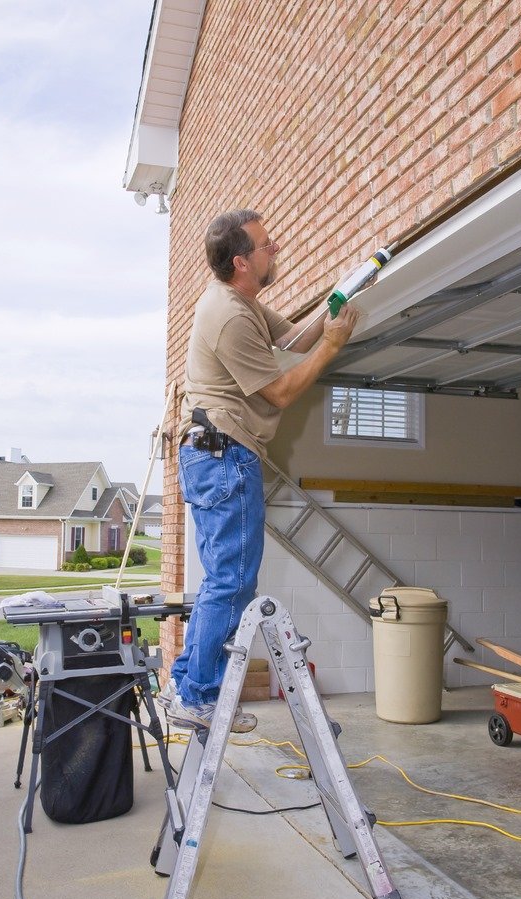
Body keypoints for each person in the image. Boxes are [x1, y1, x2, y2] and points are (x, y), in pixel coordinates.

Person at [160, 209, 358, 731]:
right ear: (243, 261)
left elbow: (291, 343)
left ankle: (188, 684)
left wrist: (331, 305)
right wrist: (333, 345)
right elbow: (284, 389)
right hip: (222, 454)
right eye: (268, 245)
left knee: (221, 581)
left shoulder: (243, 304)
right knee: (231, 581)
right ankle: (199, 695)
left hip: (214, 452)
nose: (278, 250)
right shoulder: (228, 316)